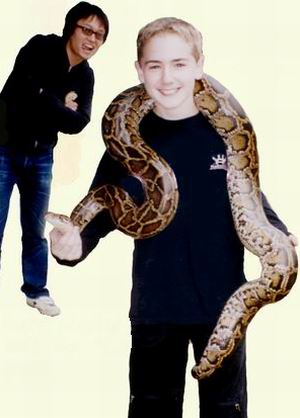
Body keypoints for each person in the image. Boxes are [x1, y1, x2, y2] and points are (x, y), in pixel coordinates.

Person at [49, 17, 297, 417]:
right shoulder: (125, 141)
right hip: (155, 309)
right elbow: (102, 205)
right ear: (139, 71)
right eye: (155, 66)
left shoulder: (226, 137)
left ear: (199, 66)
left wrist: (280, 233)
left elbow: (250, 195)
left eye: (180, 64)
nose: (167, 77)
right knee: (151, 409)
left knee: (225, 409)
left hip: (222, 307)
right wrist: (73, 245)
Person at [0, 2, 109, 316]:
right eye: (86, 30)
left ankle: (36, 290)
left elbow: (79, 123)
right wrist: (60, 105)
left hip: (41, 157)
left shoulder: (86, 76)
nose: (92, 39)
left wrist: (48, 99)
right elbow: (23, 89)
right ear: (71, 27)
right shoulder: (41, 46)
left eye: (99, 36)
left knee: (34, 229)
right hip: (5, 148)